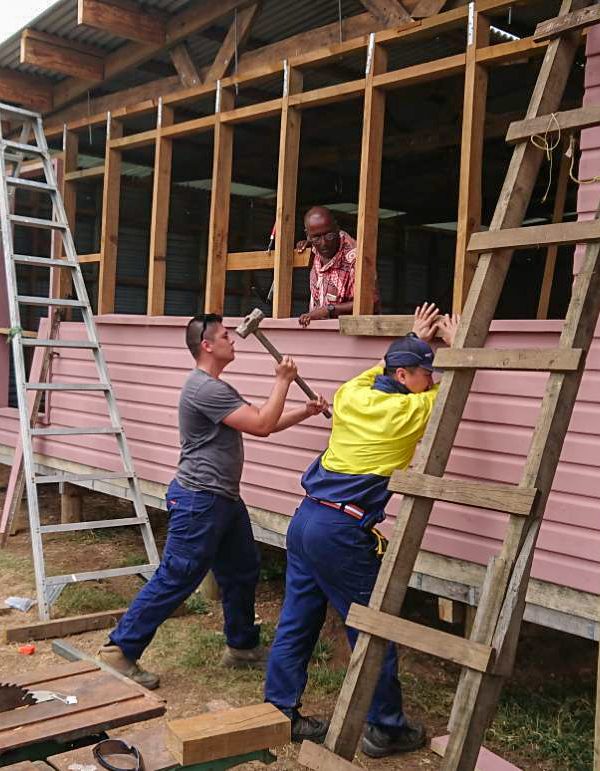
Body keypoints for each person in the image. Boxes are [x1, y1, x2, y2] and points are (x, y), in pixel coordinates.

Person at [265, 303, 459, 755]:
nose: (430, 379)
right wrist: (456, 343)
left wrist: (414, 342)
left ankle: (280, 710)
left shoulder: (352, 394)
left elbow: (380, 369)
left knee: (297, 620)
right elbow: (452, 392)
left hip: (305, 518)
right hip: (341, 532)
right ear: (408, 376)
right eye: (424, 373)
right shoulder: (411, 411)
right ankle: (385, 727)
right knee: (371, 627)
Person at [98, 313, 328, 689]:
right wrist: (283, 381)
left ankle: (241, 647)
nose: (233, 340)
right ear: (207, 345)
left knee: (241, 569)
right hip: (199, 499)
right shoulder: (204, 388)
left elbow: (259, 419)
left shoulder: (217, 387)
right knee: (178, 574)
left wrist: (305, 410)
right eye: (225, 336)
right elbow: (262, 425)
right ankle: (119, 651)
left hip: (222, 498)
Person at [297, 206, 380, 327]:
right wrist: (308, 242)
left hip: (352, 334)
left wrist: (329, 309)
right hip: (317, 333)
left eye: (329, 235)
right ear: (308, 235)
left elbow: (372, 302)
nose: (324, 243)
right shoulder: (313, 246)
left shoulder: (356, 259)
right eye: (316, 237)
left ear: (337, 228)